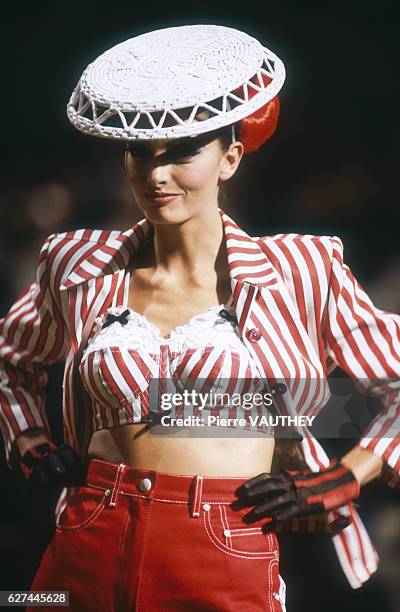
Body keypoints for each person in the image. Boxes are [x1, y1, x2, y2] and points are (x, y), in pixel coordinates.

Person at [0, 24, 399, 611]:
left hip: (223, 540)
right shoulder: (77, 264)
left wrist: (341, 478)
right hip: (88, 534)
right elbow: (13, 364)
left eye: (182, 152)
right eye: (141, 152)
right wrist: (29, 439)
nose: (156, 175)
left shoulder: (298, 268)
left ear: (230, 158)